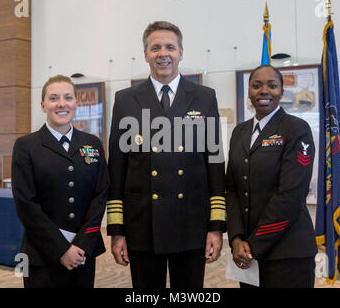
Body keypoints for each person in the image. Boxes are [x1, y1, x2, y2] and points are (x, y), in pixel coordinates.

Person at [107, 21, 226, 288]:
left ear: (181, 52)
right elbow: (117, 167)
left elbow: (215, 164)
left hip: (191, 223)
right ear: (146, 53)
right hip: (142, 224)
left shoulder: (205, 97)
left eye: (170, 47)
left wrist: (215, 226)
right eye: (156, 47)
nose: (163, 53)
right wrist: (117, 231)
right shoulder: (126, 99)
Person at [11, 75, 109, 288]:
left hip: (83, 252)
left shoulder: (92, 143)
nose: (61, 104)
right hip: (41, 253)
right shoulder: (26, 146)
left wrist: (81, 244)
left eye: (68, 97)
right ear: (43, 105)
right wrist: (62, 249)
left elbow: (100, 195)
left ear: (76, 103)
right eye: (53, 98)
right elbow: (25, 204)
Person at [226, 65, 317, 288]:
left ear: (281, 91)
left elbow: (291, 195)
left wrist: (254, 245)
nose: (264, 91)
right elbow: (231, 190)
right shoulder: (240, 132)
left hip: (287, 253)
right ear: (249, 91)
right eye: (256, 85)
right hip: (246, 253)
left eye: (272, 85)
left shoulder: (296, 129)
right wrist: (236, 238)